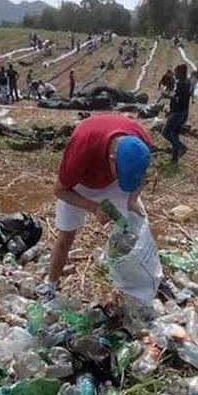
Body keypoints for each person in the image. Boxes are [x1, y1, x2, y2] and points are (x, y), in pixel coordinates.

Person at [39, 114, 152, 299]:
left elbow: (143, 176)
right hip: (80, 185)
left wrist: (132, 199)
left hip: (117, 174)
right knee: (66, 236)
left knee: (134, 225)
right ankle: (50, 286)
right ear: (112, 159)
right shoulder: (82, 149)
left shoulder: (140, 143)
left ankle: (145, 277)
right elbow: (59, 190)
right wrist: (93, 207)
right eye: (122, 176)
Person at [161, 64, 191, 163]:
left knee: (165, 132)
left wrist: (166, 95)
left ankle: (180, 147)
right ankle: (175, 158)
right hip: (183, 112)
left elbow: (177, 99)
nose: (175, 74)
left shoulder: (182, 84)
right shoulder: (185, 83)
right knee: (174, 133)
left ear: (181, 73)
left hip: (178, 113)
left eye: (177, 72)